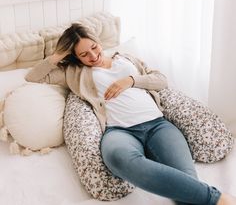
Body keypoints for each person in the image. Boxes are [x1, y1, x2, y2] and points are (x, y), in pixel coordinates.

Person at [25, 23, 236, 205]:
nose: (93, 55)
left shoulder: (126, 59)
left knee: (186, 183)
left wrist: (131, 80)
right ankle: (218, 199)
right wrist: (59, 54)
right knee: (117, 158)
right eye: (83, 54)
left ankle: (213, 199)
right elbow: (34, 76)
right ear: (75, 57)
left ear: (98, 41)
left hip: (158, 125)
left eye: (94, 47)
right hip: (119, 132)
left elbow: (160, 79)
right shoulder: (74, 72)